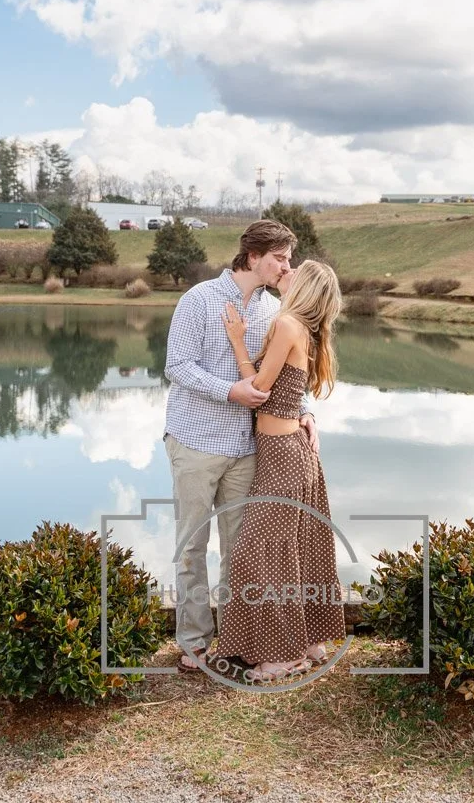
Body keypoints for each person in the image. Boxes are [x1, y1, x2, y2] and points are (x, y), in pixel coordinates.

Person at [163, 220, 319, 673]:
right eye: (280, 258)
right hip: (195, 441)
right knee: (191, 545)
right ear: (253, 257)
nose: (286, 266)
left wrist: (307, 410)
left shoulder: (276, 311)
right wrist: (229, 391)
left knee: (242, 548)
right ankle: (194, 642)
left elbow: (291, 369)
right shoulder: (199, 300)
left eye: (289, 258)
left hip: (250, 448)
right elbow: (178, 366)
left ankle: (234, 642)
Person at [211, 259, 345, 681]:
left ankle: (279, 656)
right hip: (292, 452)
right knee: (299, 547)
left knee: (261, 550)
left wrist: (236, 341)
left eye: (293, 271)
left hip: (284, 456)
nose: (285, 272)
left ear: (303, 285)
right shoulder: (303, 329)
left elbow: (258, 391)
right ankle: (311, 641)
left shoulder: (288, 324)